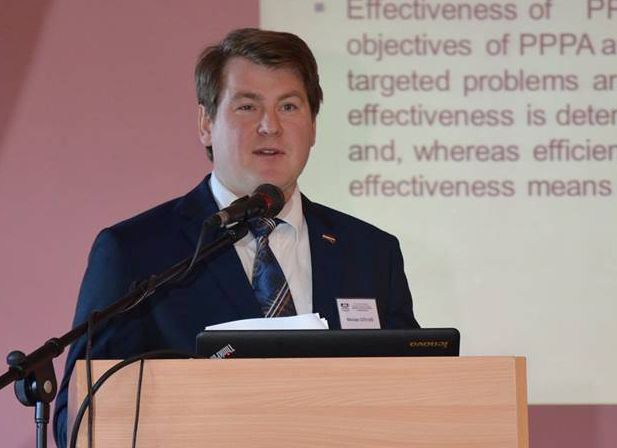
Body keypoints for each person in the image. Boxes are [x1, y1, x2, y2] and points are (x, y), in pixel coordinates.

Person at [53, 28, 419, 447]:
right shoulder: (136, 251)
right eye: (247, 106)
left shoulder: (371, 253)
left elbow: (419, 394)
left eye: (289, 106)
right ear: (206, 124)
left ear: (314, 126)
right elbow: (77, 421)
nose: (270, 126)